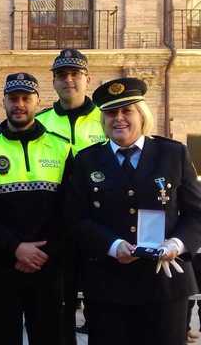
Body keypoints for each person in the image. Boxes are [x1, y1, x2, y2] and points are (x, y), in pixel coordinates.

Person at [66, 77, 201, 345]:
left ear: (141, 114)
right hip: (108, 285)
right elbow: (75, 218)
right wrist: (112, 245)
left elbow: (196, 213)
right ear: (102, 120)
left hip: (164, 283)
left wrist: (177, 243)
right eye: (110, 113)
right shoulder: (86, 160)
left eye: (126, 110)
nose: (119, 119)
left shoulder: (172, 154)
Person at [0, 73, 72, 345]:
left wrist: (43, 252)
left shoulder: (61, 147)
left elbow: (69, 210)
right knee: (2, 337)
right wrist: (15, 248)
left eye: (26, 98)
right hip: (2, 266)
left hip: (48, 266)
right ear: (2, 101)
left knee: (50, 336)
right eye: (13, 98)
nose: (19, 104)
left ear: (38, 101)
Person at [36, 48, 106, 341]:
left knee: (102, 307)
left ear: (87, 79)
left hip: (101, 225)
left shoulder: (107, 118)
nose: (68, 80)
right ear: (53, 82)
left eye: (75, 74)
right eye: (61, 75)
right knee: (60, 306)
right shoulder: (41, 123)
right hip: (59, 229)